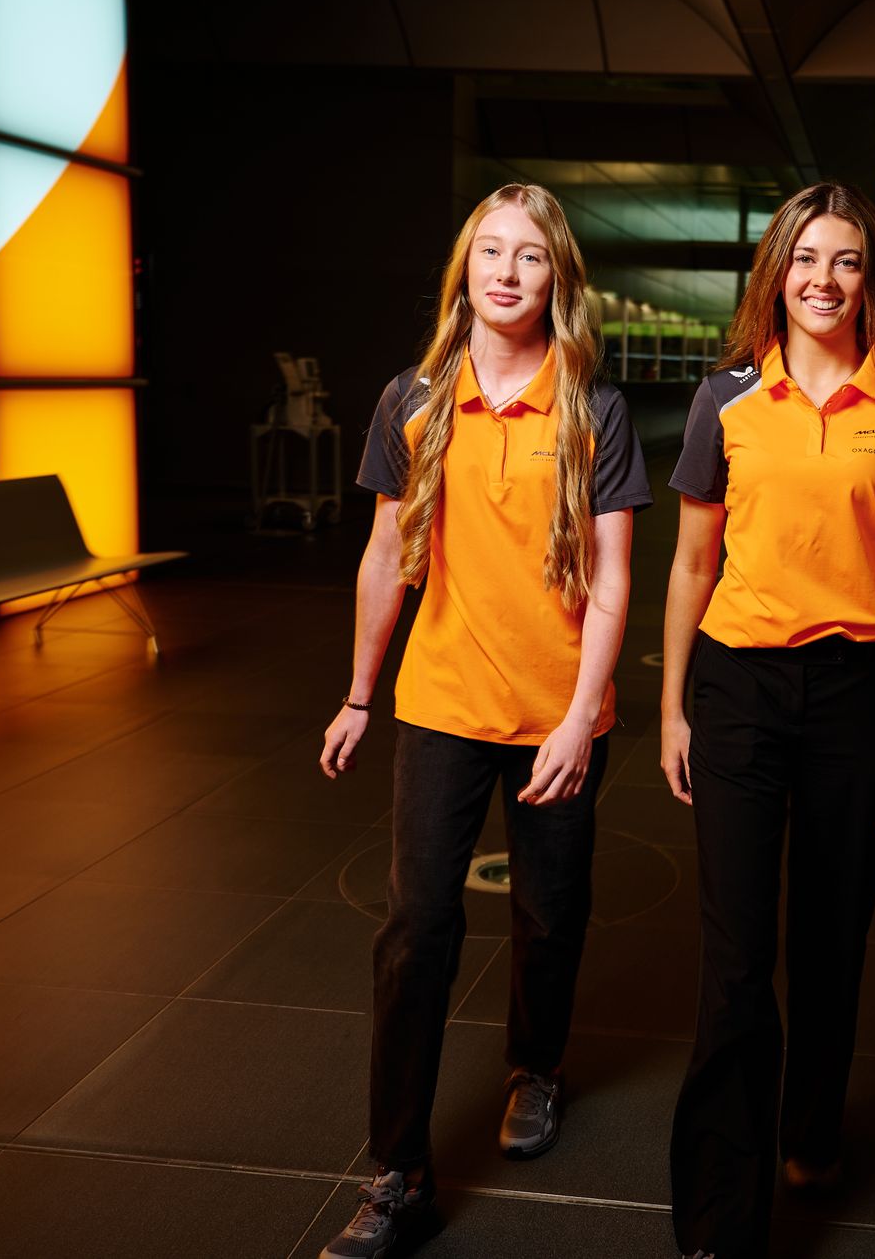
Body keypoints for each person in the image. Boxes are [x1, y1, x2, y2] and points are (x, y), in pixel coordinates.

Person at [315, 183, 651, 1259]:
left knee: (550, 913)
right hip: (444, 700)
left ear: (559, 279)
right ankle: (397, 1170)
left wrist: (576, 717)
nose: (505, 273)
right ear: (466, 268)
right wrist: (362, 691)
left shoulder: (591, 409)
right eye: (489, 253)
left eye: (529, 258)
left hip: (557, 713)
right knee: (417, 929)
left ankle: (535, 1068)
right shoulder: (411, 395)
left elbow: (609, 585)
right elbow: (385, 553)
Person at [659, 182, 875, 1259]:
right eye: (804, 258)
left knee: (832, 944)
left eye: (845, 261)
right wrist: (670, 705)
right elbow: (692, 561)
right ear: (776, 274)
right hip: (738, 690)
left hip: (856, 697)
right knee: (736, 958)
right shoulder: (725, 402)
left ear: (870, 279)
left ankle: (811, 1125)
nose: (823, 280)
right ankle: (718, 1218)